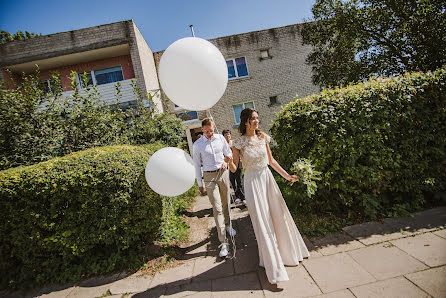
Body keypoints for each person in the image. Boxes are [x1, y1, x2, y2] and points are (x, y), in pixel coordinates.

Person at [226, 108, 310, 286]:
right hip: (252, 182)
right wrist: (228, 162)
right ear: (245, 122)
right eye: (253, 119)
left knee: (279, 216)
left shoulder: (263, 137)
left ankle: (287, 254)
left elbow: (271, 161)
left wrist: (287, 176)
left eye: (257, 118)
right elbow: (235, 169)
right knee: (263, 222)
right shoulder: (239, 143)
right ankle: (273, 266)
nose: (257, 121)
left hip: (267, 179)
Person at [193, 118, 237, 258]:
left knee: (226, 203)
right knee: (217, 208)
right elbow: (196, 165)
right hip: (209, 176)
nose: (210, 134)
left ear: (213, 128)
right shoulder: (197, 145)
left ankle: (228, 225)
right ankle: (223, 242)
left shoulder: (220, 138)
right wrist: (200, 184)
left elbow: (229, 153)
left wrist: (226, 160)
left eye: (211, 131)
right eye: (206, 131)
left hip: (223, 174)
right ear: (202, 130)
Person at [222, 129, 245, 206]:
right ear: (223, 136)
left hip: (238, 164)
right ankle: (237, 197)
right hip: (229, 165)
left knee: (239, 180)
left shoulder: (234, 143)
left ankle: (243, 197)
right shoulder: (223, 145)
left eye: (229, 134)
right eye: (226, 135)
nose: (228, 136)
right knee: (232, 181)